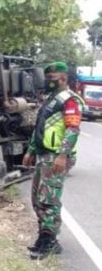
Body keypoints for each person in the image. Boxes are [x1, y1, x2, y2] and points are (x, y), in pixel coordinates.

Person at [23, 61, 85, 260]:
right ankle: (45, 238)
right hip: (44, 155)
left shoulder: (69, 101)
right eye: (47, 78)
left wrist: (62, 155)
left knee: (48, 200)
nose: (49, 81)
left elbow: (73, 129)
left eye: (52, 78)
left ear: (64, 78)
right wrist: (31, 150)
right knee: (37, 200)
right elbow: (40, 128)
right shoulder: (51, 99)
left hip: (56, 156)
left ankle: (49, 242)